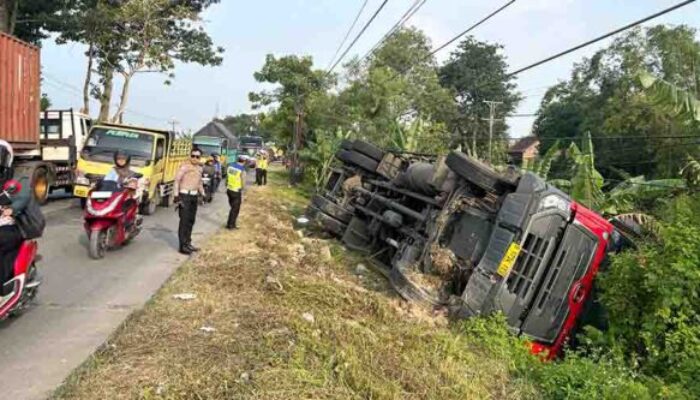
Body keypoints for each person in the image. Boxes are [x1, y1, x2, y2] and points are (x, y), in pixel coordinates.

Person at [0, 140, 30, 296]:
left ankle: (5, 286)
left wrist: (12, 208)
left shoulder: (16, 178)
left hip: (9, 226)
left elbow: (23, 197)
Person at [174, 148, 205, 255]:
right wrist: (176, 196)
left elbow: (199, 182)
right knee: (184, 221)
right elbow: (177, 180)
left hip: (194, 196)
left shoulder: (200, 168)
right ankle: (182, 246)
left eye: (197, 156)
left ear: (200, 157)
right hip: (184, 196)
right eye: (193, 156)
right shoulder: (185, 166)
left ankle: (188, 243)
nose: (195, 158)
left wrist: (203, 193)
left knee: (191, 221)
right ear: (190, 156)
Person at [226, 155, 246, 229]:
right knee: (235, 209)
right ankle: (231, 225)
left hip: (229, 189)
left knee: (232, 208)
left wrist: (227, 185)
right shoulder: (242, 170)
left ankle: (231, 223)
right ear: (244, 161)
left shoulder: (230, 166)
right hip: (236, 191)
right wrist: (243, 188)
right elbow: (243, 181)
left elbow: (227, 177)